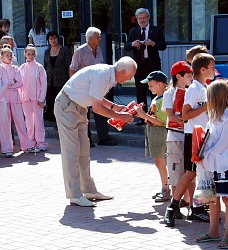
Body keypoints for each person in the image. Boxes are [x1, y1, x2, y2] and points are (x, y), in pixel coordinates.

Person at [54, 56, 137, 207]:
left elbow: (97, 97)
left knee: (84, 151)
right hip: (67, 107)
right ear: (123, 72)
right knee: (71, 152)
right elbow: (97, 108)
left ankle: (89, 190)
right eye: (131, 76)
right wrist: (120, 116)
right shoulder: (103, 74)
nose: (131, 79)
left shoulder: (110, 75)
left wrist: (114, 107)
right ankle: (74, 195)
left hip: (79, 108)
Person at [164, 52, 214, 227]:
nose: (215, 70)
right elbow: (185, 115)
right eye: (212, 67)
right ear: (203, 69)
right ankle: (172, 207)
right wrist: (208, 106)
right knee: (191, 172)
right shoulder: (194, 88)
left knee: (201, 173)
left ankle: (198, 208)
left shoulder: (204, 87)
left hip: (203, 135)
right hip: (193, 135)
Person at [194, 80, 228, 249]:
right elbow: (207, 138)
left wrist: (204, 156)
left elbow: (221, 145)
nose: (207, 101)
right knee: (212, 199)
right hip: (209, 164)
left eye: (209, 97)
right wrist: (200, 155)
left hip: (222, 165)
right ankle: (213, 231)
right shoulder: (213, 116)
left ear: (216, 97)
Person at [69, 26, 116, 147]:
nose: (100, 38)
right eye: (97, 37)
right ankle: (87, 139)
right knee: (84, 114)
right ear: (89, 39)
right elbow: (72, 69)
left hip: (97, 86)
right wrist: (75, 86)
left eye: (100, 36)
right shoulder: (80, 51)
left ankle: (103, 138)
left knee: (100, 111)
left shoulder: (99, 50)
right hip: (83, 87)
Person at [124, 8, 167, 125]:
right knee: (140, 91)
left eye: (144, 18)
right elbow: (126, 46)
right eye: (140, 18)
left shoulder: (156, 30)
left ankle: (156, 115)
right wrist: (133, 44)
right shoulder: (134, 31)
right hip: (139, 65)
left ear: (148, 18)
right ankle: (142, 117)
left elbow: (163, 45)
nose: (142, 20)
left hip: (152, 65)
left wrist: (153, 43)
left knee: (155, 90)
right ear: (137, 19)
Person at [161, 61, 193, 208]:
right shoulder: (169, 93)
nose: (191, 77)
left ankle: (190, 202)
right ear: (178, 76)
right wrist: (186, 117)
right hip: (175, 137)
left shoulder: (191, 91)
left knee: (190, 171)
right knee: (175, 171)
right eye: (188, 74)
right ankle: (175, 203)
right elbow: (170, 115)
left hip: (189, 136)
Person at [135, 71, 170, 202]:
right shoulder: (158, 98)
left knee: (159, 160)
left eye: (151, 85)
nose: (149, 88)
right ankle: (165, 187)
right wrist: (140, 113)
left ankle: (165, 189)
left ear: (160, 84)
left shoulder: (164, 99)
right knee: (158, 160)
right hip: (153, 131)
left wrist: (143, 115)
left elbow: (161, 122)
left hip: (159, 132)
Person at [0, 46, 40, 154]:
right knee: (6, 124)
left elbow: (19, 82)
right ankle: (7, 148)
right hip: (4, 99)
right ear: (2, 56)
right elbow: (1, 84)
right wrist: (9, 84)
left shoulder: (15, 69)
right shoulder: (0, 69)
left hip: (15, 98)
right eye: (7, 55)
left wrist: (9, 85)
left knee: (21, 123)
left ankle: (26, 145)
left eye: (11, 55)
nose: (9, 57)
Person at [19, 44, 48, 151]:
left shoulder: (39, 67)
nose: (30, 56)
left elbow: (44, 84)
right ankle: (30, 141)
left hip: (37, 99)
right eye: (28, 54)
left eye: (32, 54)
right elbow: (19, 85)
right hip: (25, 99)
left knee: (39, 121)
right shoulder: (21, 68)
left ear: (35, 55)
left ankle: (41, 142)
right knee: (29, 122)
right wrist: (20, 97)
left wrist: (41, 99)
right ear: (25, 54)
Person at [44, 31, 71, 122]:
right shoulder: (47, 52)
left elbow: (69, 65)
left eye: (54, 38)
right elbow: (46, 65)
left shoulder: (64, 50)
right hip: (50, 81)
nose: (53, 40)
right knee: (51, 101)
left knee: (61, 102)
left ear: (58, 39)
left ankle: (61, 120)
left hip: (62, 80)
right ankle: (53, 118)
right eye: (51, 38)